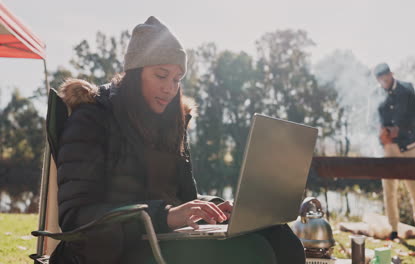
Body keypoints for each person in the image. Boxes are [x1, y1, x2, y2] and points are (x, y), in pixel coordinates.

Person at [50, 16, 305, 264]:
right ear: (135, 72)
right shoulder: (93, 118)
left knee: (279, 237)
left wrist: (216, 209)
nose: (169, 88)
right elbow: (77, 216)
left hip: (168, 238)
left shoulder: (173, 124)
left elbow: (185, 198)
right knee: (252, 252)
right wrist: (166, 216)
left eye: (176, 79)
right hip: (115, 250)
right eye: (161, 76)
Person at [374, 63, 415, 241]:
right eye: (380, 79)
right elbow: (377, 121)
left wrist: (400, 130)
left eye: (386, 77)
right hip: (389, 148)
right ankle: (394, 229)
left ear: (391, 74)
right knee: (389, 189)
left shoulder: (407, 89)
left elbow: (413, 118)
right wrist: (381, 135)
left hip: (409, 146)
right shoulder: (378, 97)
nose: (384, 81)